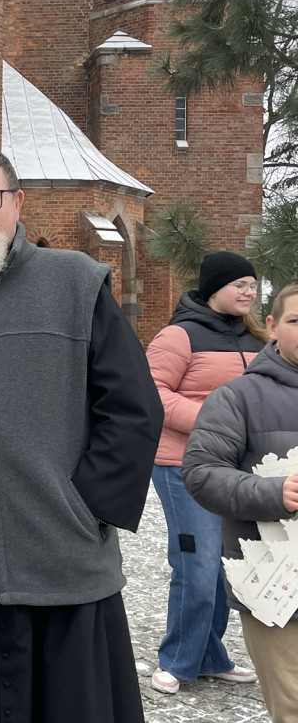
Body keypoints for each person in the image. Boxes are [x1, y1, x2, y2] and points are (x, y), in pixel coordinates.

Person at [0, 141, 163, 723]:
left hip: (65, 572)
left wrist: (84, 507)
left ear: (17, 202)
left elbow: (132, 408)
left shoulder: (75, 282)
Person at [145, 251, 267, 694]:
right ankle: (176, 660)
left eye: (253, 284)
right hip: (184, 467)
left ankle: (210, 655)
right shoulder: (179, 336)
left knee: (225, 569)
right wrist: (217, 421)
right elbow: (152, 395)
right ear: (215, 287)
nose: (249, 291)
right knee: (196, 565)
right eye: (240, 284)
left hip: (238, 474)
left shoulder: (258, 339)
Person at [182, 282, 298, 722]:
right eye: (295, 320)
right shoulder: (238, 398)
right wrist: (274, 493)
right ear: (270, 326)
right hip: (277, 588)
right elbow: (201, 473)